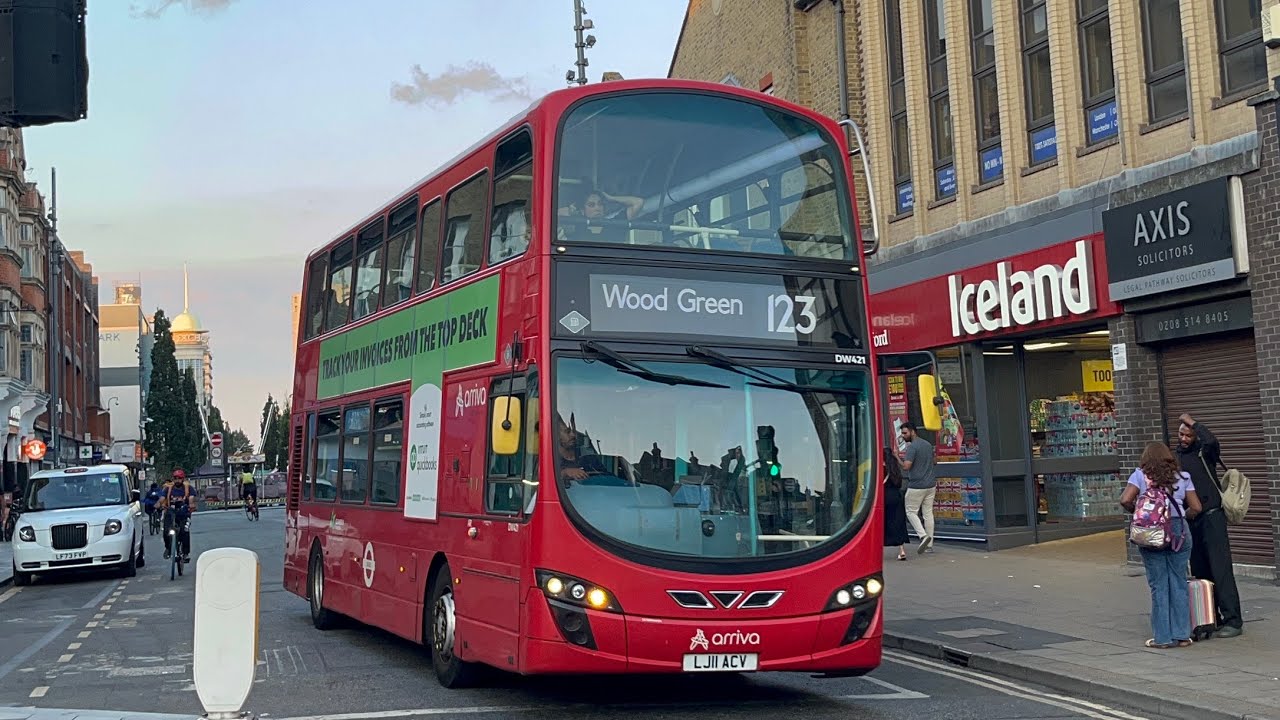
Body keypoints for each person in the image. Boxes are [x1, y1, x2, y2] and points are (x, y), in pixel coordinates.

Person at [1121, 441, 1202, 649]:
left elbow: (1125, 499)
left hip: (1152, 531)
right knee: (1178, 581)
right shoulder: (1183, 477)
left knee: (1158, 584)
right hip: (1179, 531)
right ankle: (1183, 635)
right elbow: (1196, 506)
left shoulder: (1140, 475)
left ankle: (1163, 638)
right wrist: (1183, 519)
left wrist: (1138, 512)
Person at [1174, 412, 1244, 638]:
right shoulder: (1175, 458)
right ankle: (1210, 618)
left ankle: (1233, 619)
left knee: (1220, 568)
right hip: (1191, 519)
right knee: (1200, 570)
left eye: (1188, 435)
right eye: (1181, 434)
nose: (1184, 439)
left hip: (1213, 516)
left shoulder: (1205, 453)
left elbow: (1212, 441)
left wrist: (1194, 423)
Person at [899, 422, 937, 554]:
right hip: (931, 484)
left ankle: (923, 536)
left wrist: (897, 458)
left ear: (912, 432)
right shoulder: (927, 444)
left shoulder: (912, 447)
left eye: (905, 433)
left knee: (910, 512)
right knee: (928, 513)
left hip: (916, 485)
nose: (903, 436)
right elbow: (934, 461)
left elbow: (906, 466)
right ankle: (929, 545)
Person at [162, 470, 195, 563]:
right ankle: (168, 548)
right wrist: (159, 504)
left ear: (183, 479)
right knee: (166, 531)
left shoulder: (188, 487)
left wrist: (191, 504)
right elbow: (162, 498)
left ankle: (185, 553)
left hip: (184, 514)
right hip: (171, 513)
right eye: (175, 478)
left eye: (179, 478)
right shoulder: (168, 488)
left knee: (184, 531)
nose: (177, 480)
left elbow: (192, 497)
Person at [882, 448, 909, 561]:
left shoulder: (881, 468)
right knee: (898, 523)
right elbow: (899, 483)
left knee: (884, 523)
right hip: (896, 497)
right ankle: (902, 550)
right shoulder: (894, 468)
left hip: (885, 497)